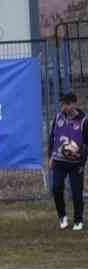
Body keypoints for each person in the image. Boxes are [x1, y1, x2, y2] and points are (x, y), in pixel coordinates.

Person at [48, 92, 86, 231]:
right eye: (63, 104)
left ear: (74, 104)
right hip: (59, 161)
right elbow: (52, 138)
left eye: (66, 104)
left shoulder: (83, 120)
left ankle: (78, 220)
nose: (64, 107)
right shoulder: (58, 117)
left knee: (76, 192)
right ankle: (62, 216)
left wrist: (81, 161)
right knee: (56, 188)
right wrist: (50, 156)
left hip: (76, 164)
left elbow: (86, 144)